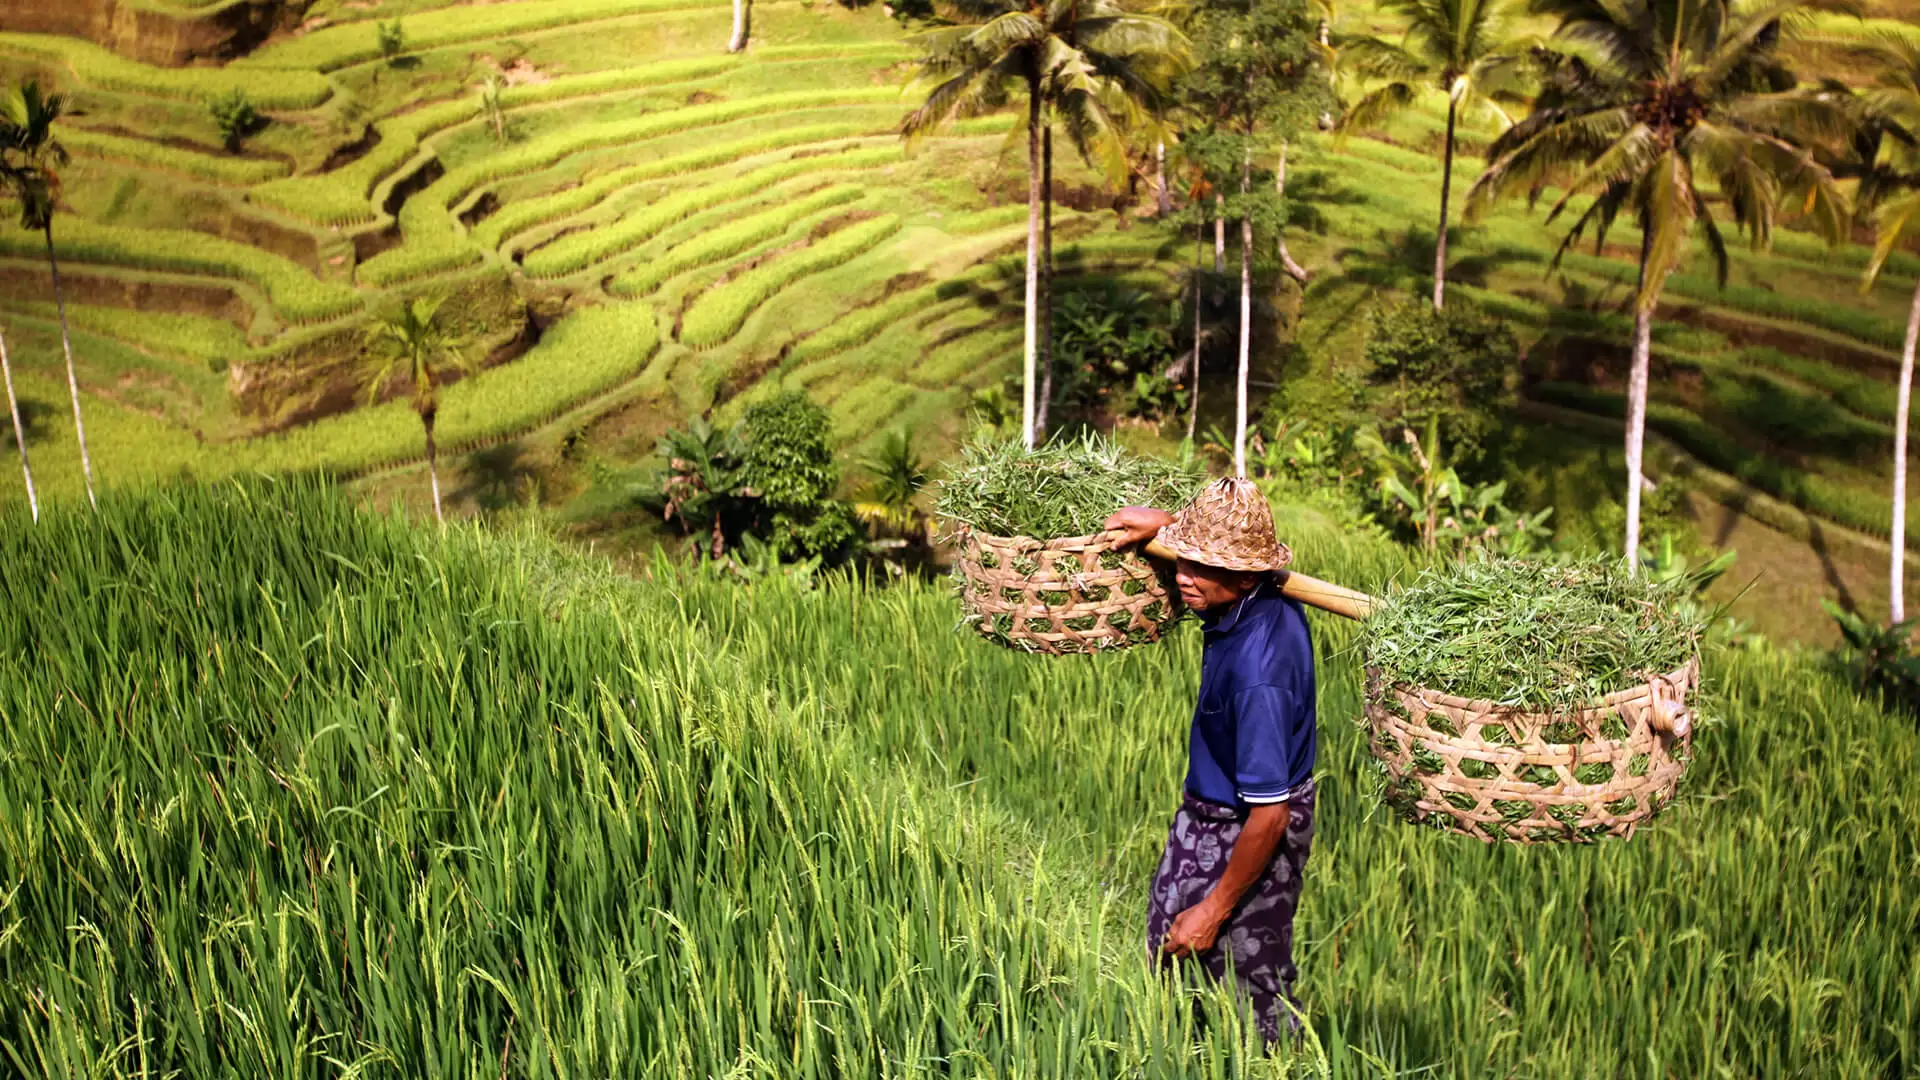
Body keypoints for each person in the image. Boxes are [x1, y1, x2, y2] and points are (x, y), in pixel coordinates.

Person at [1103, 477, 1318, 1044]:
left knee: (1249, 993)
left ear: (1244, 576)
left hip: (1248, 826)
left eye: (1199, 565)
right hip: (1206, 814)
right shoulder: (1255, 589)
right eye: (1183, 557)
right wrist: (1170, 526)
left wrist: (1216, 908)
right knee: (1167, 954)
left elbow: (1270, 817)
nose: (1181, 574)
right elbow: (1227, 549)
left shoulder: (1260, 676)